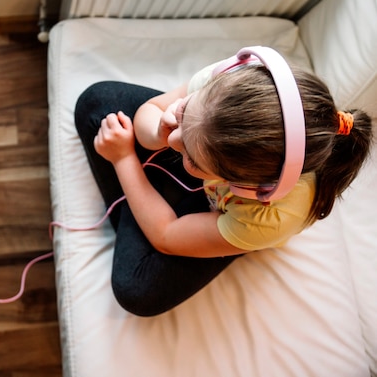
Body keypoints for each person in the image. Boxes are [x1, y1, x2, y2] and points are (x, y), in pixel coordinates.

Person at [74, 47, 373, 317]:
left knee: (136, 290)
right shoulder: (228, 83)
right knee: (96, 101)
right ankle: (152, 194)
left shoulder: (268, 218)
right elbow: (152, 112)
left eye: (190, 158)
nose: (173, 140)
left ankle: (145, 195)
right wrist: (156, 132)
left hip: (223, 214)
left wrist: (124, 159)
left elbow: (166, 234)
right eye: (184, 110)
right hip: (210, 148)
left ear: (246, 185)